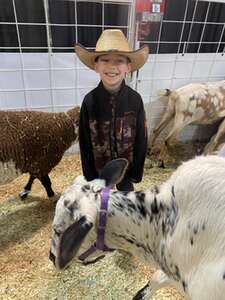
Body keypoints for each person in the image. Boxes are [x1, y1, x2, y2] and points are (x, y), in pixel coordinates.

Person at [75, 29, 149, 191]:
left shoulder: (135, 100)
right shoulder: (89, 101)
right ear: (96, 66)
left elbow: (141, 139)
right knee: (101, 210)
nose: (111, 66)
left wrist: (135, 173)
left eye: (119, 61)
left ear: (128, 67)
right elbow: (85, 141)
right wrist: (90, 176)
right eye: (105, 60)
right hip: (99, 175)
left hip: (126, 172)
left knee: (125, 208)